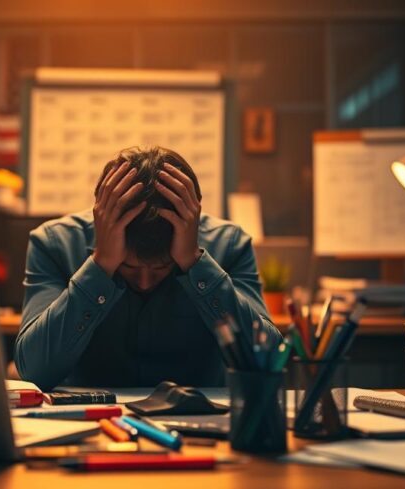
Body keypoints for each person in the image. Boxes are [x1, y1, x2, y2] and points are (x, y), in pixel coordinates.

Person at [15, 146, 280, 390]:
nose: (143, 282)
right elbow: (34, 371)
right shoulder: (54, 245)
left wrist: (194, 263)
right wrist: (101, 264)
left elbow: (266, 358)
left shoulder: (230, 246)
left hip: (201, 425)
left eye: (161, 268)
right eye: (129, 268)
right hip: (93, 423)